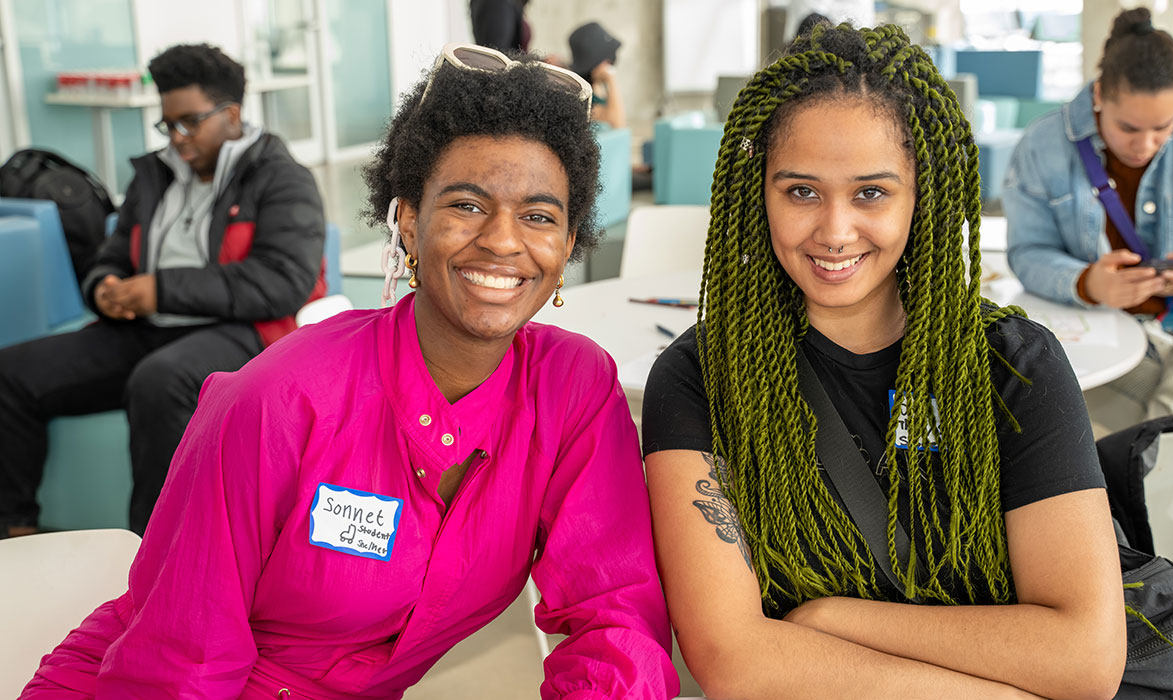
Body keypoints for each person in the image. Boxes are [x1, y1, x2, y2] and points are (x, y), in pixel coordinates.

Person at [21, 43, 678, 699]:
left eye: (539, 216)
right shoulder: (280, 398)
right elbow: (180, 663)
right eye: (467, 205)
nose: (504, 241)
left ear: (566, 246)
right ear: (409, 221)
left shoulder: (573, 388)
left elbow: (614, 616)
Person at [642, 22, 1125, 699]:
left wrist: (835, 619)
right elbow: (731, 659)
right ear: (760, 193)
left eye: (871, 192)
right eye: (801, 191)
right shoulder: (700, 379)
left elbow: (1087, 658)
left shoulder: (1012, 366)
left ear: (919, 195)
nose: (835, 230)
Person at [0, 43, 326, 537]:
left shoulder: (281, 179)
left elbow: (282, 282)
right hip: (145, 328)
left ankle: (153, 554)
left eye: (189, 122)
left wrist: (161, 291)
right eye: (167, 124)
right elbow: (111, 253)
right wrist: (103, 287)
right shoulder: (153, 176)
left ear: (231, 114)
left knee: (159, 381)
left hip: (242, 332)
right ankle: (15, 528)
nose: (177, 138)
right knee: (12, 372)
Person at [1003, 7, 1173, 428]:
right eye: (1129, 128)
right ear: (1097, 97)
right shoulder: (1043, 145)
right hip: (1102, 328)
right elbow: (1027, 252)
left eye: (1164, 126)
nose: (1146, 144)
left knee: (1158, 431)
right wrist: (1087, 282)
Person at [568, 22, 625, 130]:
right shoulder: (584, 97)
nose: (609, 65)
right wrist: (611, 80)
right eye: (606, 61)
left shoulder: (598, 88)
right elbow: (617, 124)